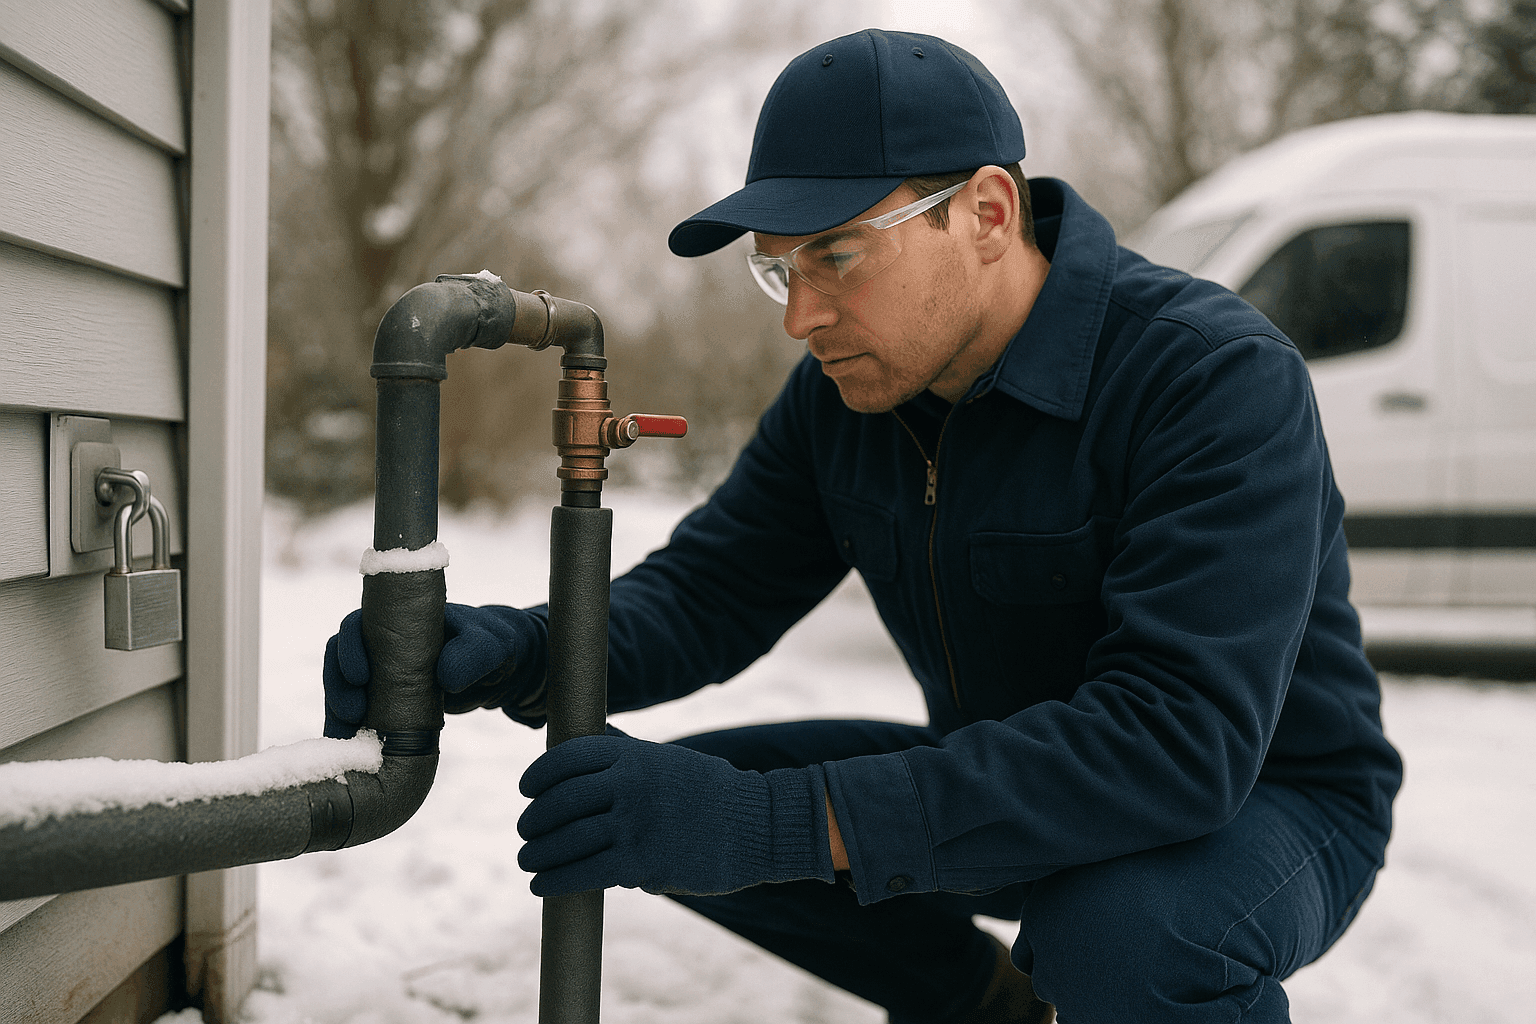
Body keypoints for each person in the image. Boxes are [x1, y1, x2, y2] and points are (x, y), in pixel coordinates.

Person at [324, 28, 1403, 1024]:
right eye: (779, 267)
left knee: (1122, 935)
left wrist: (781, 825)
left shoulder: (1207, 377)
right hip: (1009, 774)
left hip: (1265, 803)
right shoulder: (850, 399)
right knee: (657, 804)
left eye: (836, 255)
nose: (801, 314)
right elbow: (709, 592)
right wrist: (510, 650)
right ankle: (982, 1005)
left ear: (986, 213)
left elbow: (1178, 742)